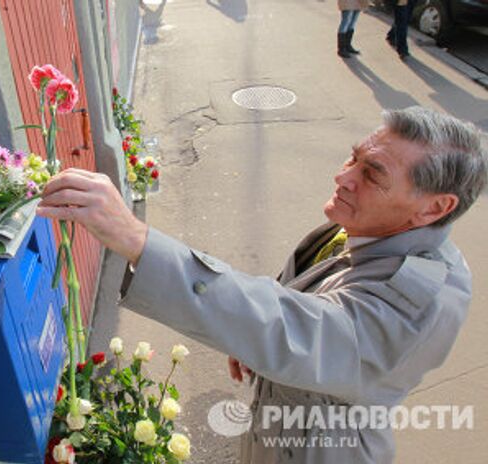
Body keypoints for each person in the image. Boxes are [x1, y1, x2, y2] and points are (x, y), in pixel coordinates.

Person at [37, 106, 487, 463]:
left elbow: (300, 329)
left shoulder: (421, 299)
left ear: (433, 208)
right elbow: (298, 299)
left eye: (372, 174)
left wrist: (138, 240)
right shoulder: (373, 226)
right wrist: (251, 343)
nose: (343, 176)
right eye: (354, 156)